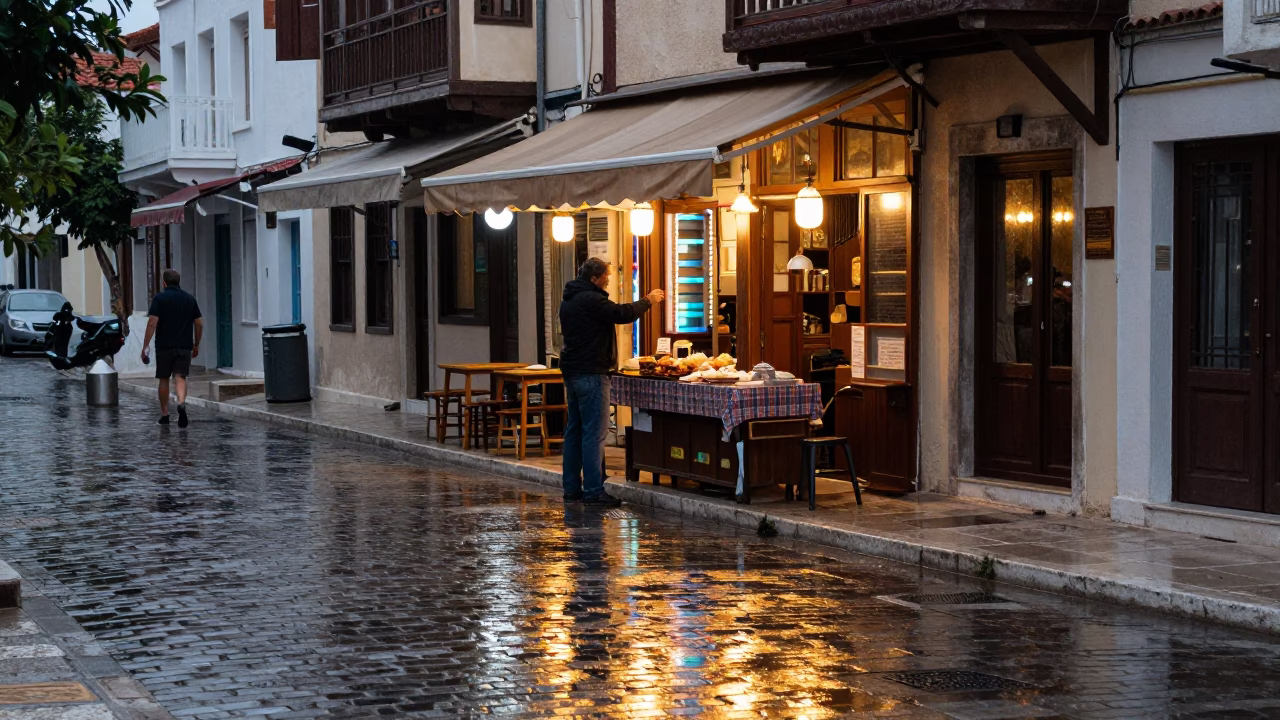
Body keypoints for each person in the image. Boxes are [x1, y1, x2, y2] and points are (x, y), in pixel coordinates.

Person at [559, 257, 663, 507]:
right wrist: (648, 300)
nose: (608, 279)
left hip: (572, 372)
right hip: (592, 372)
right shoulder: (592, 300)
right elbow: (621, 314)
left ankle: (571, 488)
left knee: (574, 431)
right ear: (594, 278)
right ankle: (594, 490)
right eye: (605, 275)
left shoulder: (569, 299)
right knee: (594, 433)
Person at [141, 269, 203, 428]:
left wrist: (145, 345)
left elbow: (152, 323)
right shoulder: (189, 299)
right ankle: (181, 403)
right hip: (184, 346)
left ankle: (165, 414)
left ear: (164, 282)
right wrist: (196, 344)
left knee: (163, 379)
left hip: (164, 346)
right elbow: (199, 324)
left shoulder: (159, 299)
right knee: (180, 377)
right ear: (178, 281)